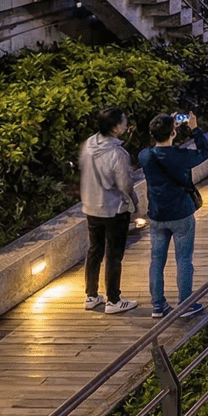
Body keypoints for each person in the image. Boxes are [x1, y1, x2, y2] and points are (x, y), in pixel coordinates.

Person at [138, 112, 208, 318]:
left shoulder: (145, 156)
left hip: (156, 215)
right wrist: (195, 128)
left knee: (156, 260)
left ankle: (158, 305)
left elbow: (155, 145)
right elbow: (204, 152)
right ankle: (185, 304)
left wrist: (165, 126)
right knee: (184, 259)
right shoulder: (180, 157)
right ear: (173, 132)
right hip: (181, 214)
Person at [79, 106, 139, 315]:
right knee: (114, 254)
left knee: (95, 250)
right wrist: (135, 204)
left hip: (91, 206)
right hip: (114, 209)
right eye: (123, 121)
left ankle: (91, 295)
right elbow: (125, 184)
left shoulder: (88, 145)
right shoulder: (117, 153)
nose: (125, 124)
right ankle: (114, 300)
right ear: (115, 128)